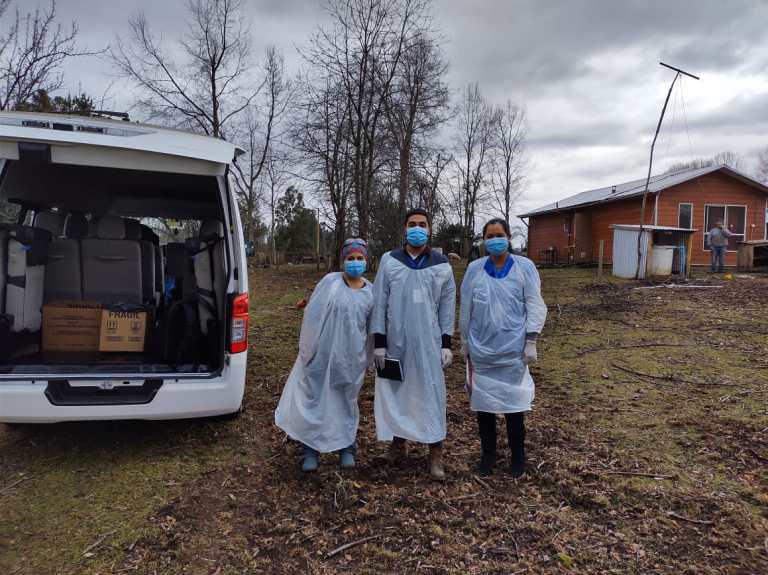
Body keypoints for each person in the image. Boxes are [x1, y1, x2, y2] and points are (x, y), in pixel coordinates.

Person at [370, 208, 456, 480]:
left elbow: (447, 306)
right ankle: (399, 443)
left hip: (428, 343)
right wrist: (379, 342)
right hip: (395, 342)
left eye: (422, 224)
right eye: (412, 224)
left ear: (430, 229)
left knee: (431, 393)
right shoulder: (390, 260)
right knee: (397, 391)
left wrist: (446, 343)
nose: (417, 228)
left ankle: (435, 451)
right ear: (404, 229)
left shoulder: (441, 264)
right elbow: (379, 300)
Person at [275, 239, 373, 472]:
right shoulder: (330, 282)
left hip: (351, 358)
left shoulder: (371, 292)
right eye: (351, 258)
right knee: (315, 400)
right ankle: (311, 450)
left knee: (346, 402)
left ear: (366, 261)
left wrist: (368, 358)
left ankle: (347, 447)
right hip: (321, 354)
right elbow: (313, 315)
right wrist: (308, 351)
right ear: (343, 260)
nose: (355, 262)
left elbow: (371, 328)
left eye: (360, 258)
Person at [459, 218, 547, 478]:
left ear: (508, 236)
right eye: (489, 235)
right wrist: (464, 340)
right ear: (483, 239)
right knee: (483, 407)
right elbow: (466, 307)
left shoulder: (524, 267)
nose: (494, 240)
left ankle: (518, 456)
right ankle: (488, 456)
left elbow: (534, 303)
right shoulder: (475, 269)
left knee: (514, 406)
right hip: (481, 350)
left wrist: (531, 339)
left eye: (499, 234)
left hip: (513, 350)